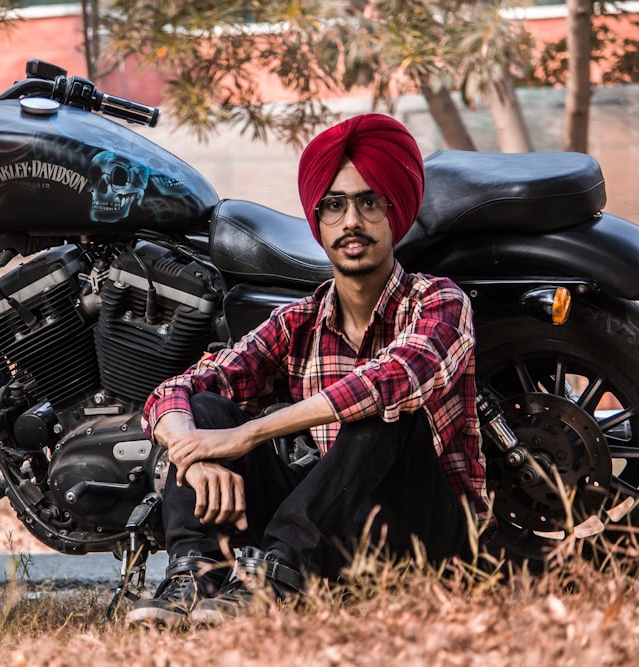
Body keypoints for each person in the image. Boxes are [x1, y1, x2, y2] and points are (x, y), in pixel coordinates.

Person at [126, 114, 490, 629]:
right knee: (205, 410)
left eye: (370, 202)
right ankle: (195, 572)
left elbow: (393, 380)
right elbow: (177, 390)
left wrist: (245, 436)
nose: (351, 222)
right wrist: (195, 451)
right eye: (334, 206)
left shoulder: (438, 300)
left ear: (396, 212)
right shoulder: (299, 319)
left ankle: (275, 576)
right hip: (335, 528)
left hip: (425, 534)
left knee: (382, 411)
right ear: (317, 221)